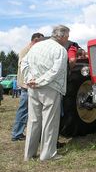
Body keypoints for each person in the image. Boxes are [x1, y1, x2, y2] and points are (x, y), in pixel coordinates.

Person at [21, 25, 69, 161]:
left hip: (33, 88)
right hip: (50, 88)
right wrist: (40, 81)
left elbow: (24, 63)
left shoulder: (36, 46)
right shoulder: (60, 50)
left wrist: (29, 79)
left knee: (33, 120)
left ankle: (28, 154)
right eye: (67, 36)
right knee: (50, 121)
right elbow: (57, 70)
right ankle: (47, 154)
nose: (67, 39)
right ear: (61, 36)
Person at [11, 33, 44, 141]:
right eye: (40, 41)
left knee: (26, 110)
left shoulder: (31, 50)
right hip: (26, 86)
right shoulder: (26, 51)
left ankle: (19, 133)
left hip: (28, 85)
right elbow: (23, 66)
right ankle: (17, 134)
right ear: (35, 40)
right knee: (23, 110)